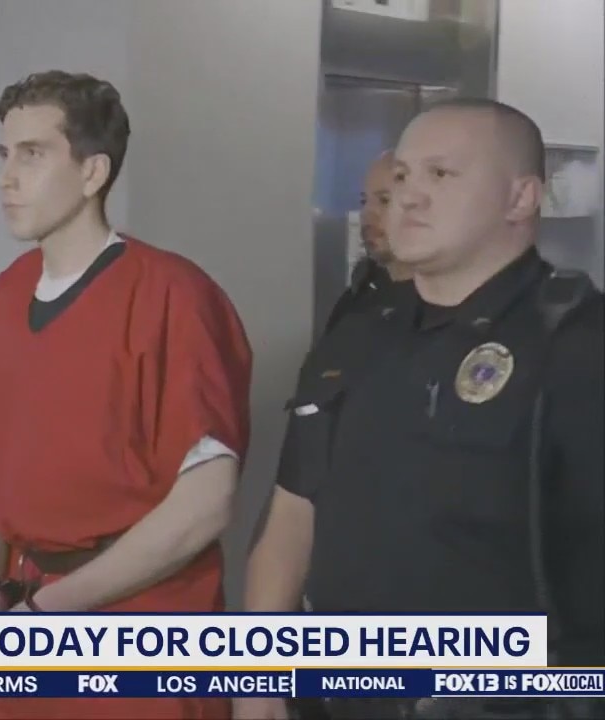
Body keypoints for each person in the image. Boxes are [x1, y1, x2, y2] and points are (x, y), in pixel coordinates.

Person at [237, 99, 604, 720]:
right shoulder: (356, 337)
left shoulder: (578, 346)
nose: (408, 196)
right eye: (404, 175)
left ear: (520, 198)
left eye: (441, 174)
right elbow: (294, 513)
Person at [0, 71, 253, 720]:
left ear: (93, 173)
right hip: (16, 609)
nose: (6, 178)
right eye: (4, 154)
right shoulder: (8, 293)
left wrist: (50, 610)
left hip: (137, 624)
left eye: (32, 155)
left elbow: (205, 505)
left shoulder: (173, 296)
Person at [323, 150, 413, 333]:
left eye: (384, 200)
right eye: (364, 201)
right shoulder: (358, 297)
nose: (367, 214)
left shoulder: (445, 308)